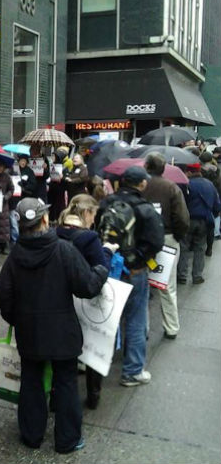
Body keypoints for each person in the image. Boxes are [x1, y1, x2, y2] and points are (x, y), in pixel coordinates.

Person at [0, 198, 109, 454]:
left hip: (30, 332)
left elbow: (5, 298)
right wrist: (101, 271)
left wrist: (18, 320)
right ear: (45, 219)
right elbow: (87, 287)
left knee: (31, 381)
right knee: (66, 382)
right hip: (63, 332)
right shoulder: (63, 250)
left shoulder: (14, 257)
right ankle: (67, 440)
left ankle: (32, 435)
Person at [97, 166, 164, 387]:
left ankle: (96, 363)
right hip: (134, 272)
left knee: (105, 317)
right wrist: (136, 260)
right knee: (135, 320)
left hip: (107, 266)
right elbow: (156, 242)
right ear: (142, 184)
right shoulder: (145, 208)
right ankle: (132, 371)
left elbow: (97, 230)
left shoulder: (107, 203)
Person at [56, 194, 119, 409]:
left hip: (60, 298)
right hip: (85, 298)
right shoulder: (89, 238)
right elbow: (100, 270)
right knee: (93, 346)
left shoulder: (56, 232)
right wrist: (107, 252)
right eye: (93, 214)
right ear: (86, 213)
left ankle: (57, 394)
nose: (94, 220)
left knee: (64, 351)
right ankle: (93, 395)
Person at [143, 152, 190, 340]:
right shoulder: (172, 188)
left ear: (146, 167)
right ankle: (171, 327)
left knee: (142, 285)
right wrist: (177, 237)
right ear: (164, 169)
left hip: (144, 241)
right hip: (168, 239)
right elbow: (182, 218)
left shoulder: (141, 187)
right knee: (167, 285)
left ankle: (143, 328)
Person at [178, 162, 221, 285]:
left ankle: (182, 275)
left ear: (190, 172)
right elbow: (217, 205)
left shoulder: (185, 184)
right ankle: (197, 276)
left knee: (184, 247)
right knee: (200, 248)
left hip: (188, 220)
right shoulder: (210, 185)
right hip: (204, 221)